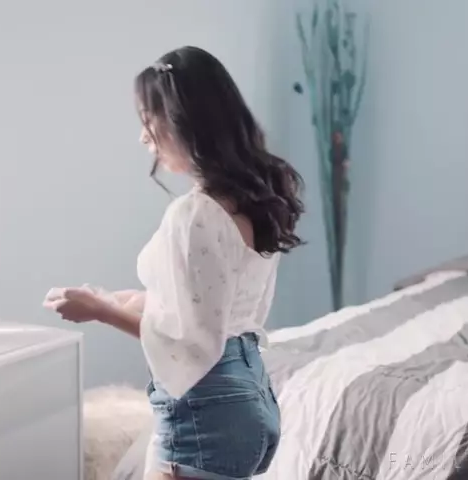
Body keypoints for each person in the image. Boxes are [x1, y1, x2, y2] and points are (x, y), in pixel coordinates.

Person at [42, 45, 305, 480]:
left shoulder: (195, 214)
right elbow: (216, 307)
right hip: (250, 395)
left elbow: (191, 344)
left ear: (184, 120)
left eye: (149, 119)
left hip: (207, 408)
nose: (144, 137)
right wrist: (129, 299)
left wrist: (101, 312)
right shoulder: (255, 201)